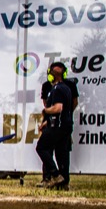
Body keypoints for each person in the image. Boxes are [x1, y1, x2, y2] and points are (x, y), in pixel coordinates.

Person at [36, 61, 75, 189]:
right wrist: (46, 122)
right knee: (61, 153)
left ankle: (55, 174)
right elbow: (65, 110)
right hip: (65, 125)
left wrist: (45, 111)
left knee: (41, 147)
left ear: (51, 75)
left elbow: (58, 108)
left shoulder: (57, 89)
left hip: (57, 126)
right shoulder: (67, 88)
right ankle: (64, 183)